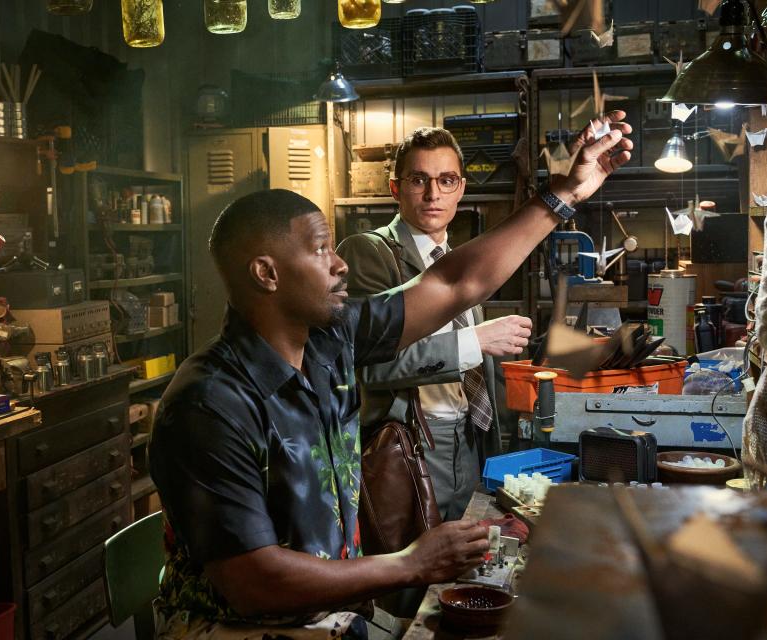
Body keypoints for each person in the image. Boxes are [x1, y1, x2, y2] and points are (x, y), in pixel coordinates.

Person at [149, 111, 632, 640]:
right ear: (267, 273)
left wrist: (565, 194)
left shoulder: (329, 342)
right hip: (231, 624)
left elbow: (454, 283)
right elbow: (252, 581)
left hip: (323, 611)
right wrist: (409, 563)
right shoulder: (209, 403)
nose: (341, 266)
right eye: (318, 250)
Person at [336, 127, 531, 528]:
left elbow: (478, 374)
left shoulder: (459, 261)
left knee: (465, 567)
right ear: (395, 188)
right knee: (413, 573)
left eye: (446, 181)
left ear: (460, 189)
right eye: (418, 180)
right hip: (412, 445)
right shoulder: (369, 253)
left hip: (471, 440)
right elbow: (369, 366)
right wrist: (474, 340)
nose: (433, 194)